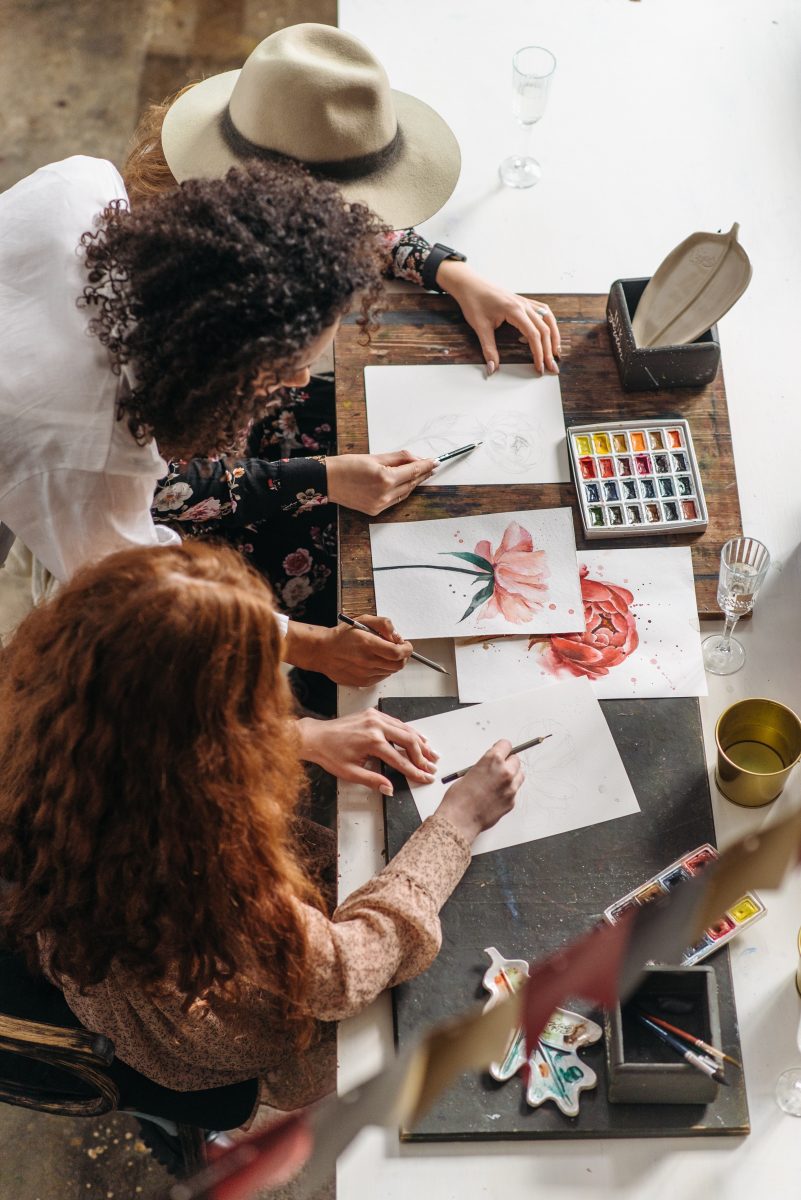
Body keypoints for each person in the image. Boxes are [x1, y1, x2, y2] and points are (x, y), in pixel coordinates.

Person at [0, 541, 524, 1107]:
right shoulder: (195, 864)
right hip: (205, 1032)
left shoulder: (51, 732)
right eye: (247, 708)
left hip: (99, 951)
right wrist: (456, 824)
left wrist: (303, 736)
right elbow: (346, 972)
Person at [125, 23, 561, 636]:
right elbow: (156, 491)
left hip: (243, 423)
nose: (301, 377)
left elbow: (338, 227)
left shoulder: (229, 204)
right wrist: (322, 478)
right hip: (196, 506)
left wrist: (446, 268)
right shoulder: (153, 317)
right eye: (289, 365)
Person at [0, 152, 428, 684]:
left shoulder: (85, 183)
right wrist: (309, 645)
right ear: (218, 363)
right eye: (290, 368)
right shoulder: (96, 460)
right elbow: (144, 595)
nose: (299, 382)